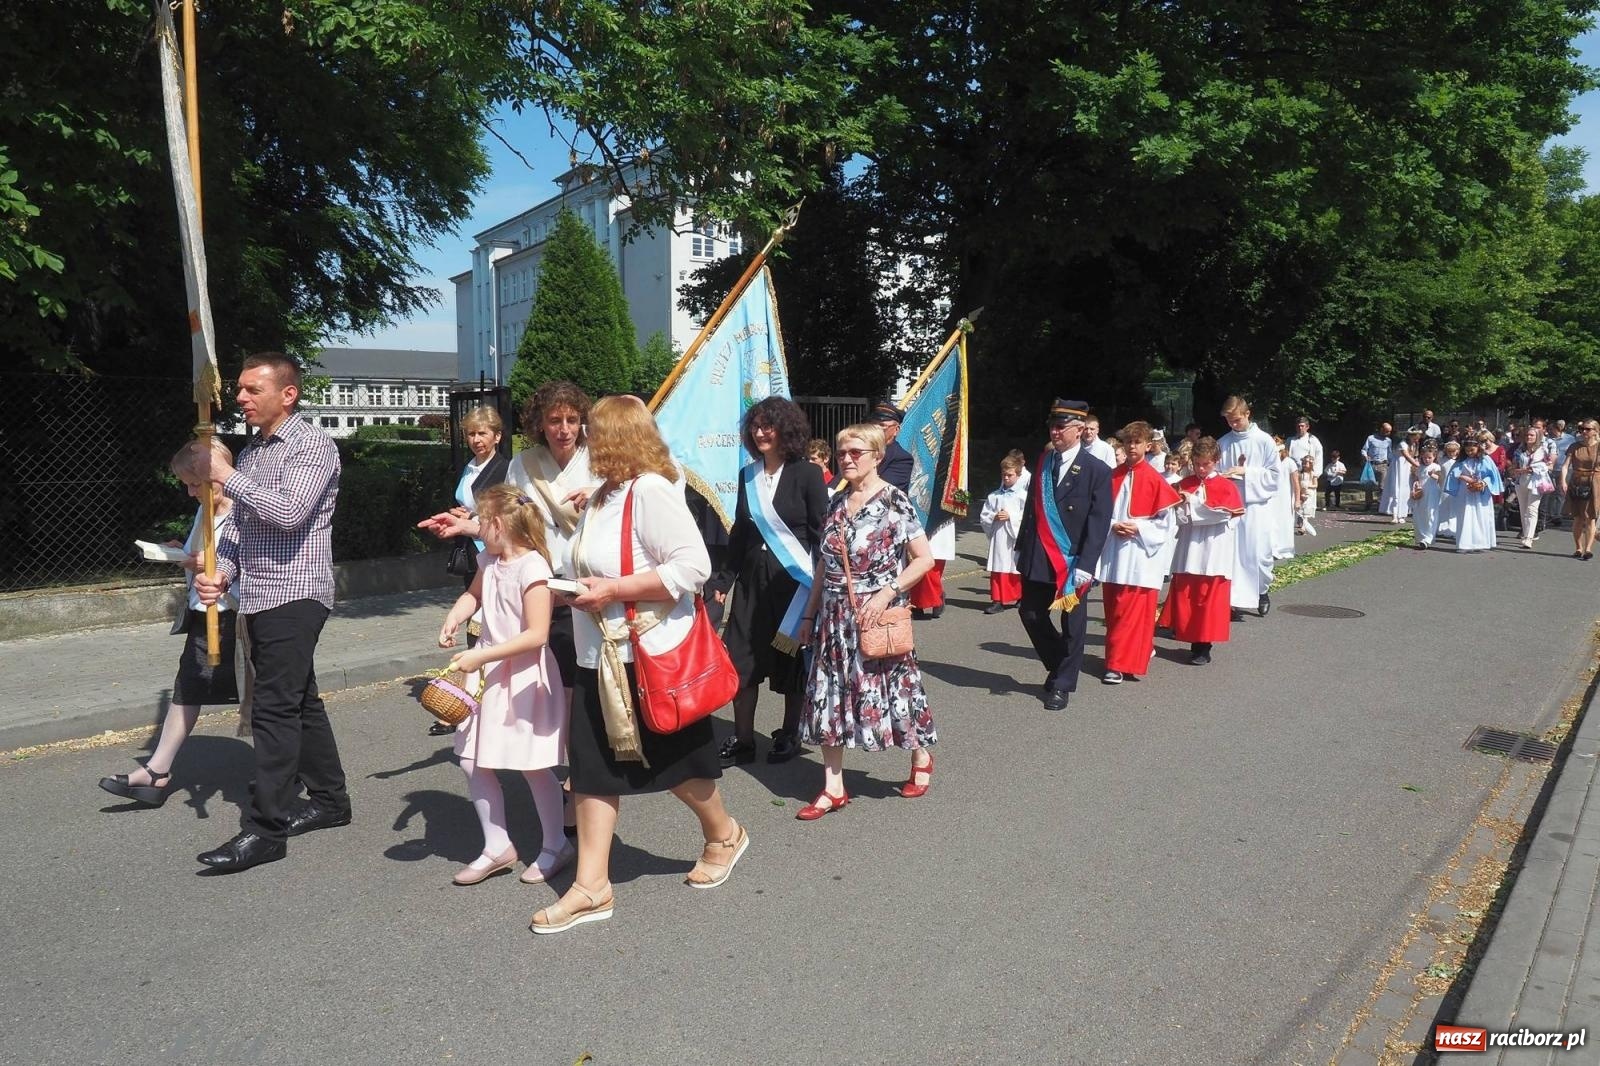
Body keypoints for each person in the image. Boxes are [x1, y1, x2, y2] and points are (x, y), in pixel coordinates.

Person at [538, 395, 745, 934]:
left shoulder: (650, 490)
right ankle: (591, 886)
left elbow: (694, 567)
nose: (585, 441)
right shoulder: (603, 494)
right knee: (591, 769)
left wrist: (612, 590)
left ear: (615, 437)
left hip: (643, 658)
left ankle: (724, 834)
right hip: (597, 656)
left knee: (677, 766)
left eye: (593, 431)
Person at [192, 352, 348, 873]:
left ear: (288, 394)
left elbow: (288, 513)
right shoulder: (254, 450)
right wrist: (222, 573)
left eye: (252, 389)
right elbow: (240, 529)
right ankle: (330, 802)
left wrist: (224, 474)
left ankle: (265, 831)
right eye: (239, 389)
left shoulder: (313, 445)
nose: (240, 398)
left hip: (296, 593)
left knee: (274, 708)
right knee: (301, 700)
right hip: (258, 593)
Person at [794, 422, 936, 818]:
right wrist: (809, 613)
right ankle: (833, 787)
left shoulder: (895, 501)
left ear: (877, 456)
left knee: (895, 691)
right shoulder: (836, 502)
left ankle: (920, 755)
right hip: (833, 618)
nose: (847, 458)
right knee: (828, 695)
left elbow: (924, 559)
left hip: (877, 616)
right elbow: (824, 563)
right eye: (842, 452)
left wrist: (888, 592)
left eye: (856, 452)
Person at [99, 438, 251, 807]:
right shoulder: (205, 510)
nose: (190, 492)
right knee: (188, 688)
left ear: (217, 476)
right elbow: (199, 554)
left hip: (234, 616)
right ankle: (157, 771)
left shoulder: (243, 512)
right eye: (186, 484)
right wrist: (180, 553)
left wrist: (203, 564)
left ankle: (283, 770)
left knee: (259, 696)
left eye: (195, 484)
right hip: (204, 612)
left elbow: (250, 565)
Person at [437, 486, 571, 887]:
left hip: (523, 675)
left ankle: (556, 844)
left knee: (532, 765)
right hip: (489, 670)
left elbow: (537, 635)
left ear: (497, 524)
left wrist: (481, 657)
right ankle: (497, 846)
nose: (477, 528)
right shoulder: (491, 560)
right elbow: (474, 595)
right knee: (471, 759)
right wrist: (455, 616)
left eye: (481, 521)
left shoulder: (533, 568)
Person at [714, 397, 828, 768]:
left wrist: (822, 586)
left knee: (789, 658)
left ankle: (789, 733)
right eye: (755, 426)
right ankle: (743, 739)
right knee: (741, 658)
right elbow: (740, 533)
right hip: (751, 585)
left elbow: (820, 533)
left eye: (768, 426)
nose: (760, 433)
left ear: (785, 429)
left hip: (792, 585)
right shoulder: (748, 475)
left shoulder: (807, 474)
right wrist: (724, 579)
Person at [416, 405, 510, 735]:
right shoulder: (469, 466)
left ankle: (470, 702)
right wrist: (460, 516)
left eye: (483, 433)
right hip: (472, 552)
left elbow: (508, 511)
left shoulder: (504, 469)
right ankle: (471, 700)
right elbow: (467, 504)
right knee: (476, 624)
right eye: (471, 433)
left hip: (495, 552)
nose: (476, 439)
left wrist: (469, 518)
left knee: (487, 626)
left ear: (497, 436)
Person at [1016, 398, 1112, 711]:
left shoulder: (1097, 470)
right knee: (1030, 613)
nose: (1054, 432)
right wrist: (1020, 546)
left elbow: (1099, 522)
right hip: (1039, 553)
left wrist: (1087, 563)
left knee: (1072, 623)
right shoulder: (1045, 462)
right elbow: (1032, 509)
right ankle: (1060, 665)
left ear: (1079, 429)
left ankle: (1062, 684)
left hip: (1072, 560)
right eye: (1052, 426)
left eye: (1060, 426)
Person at [1095, 421, 1180, 684]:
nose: (1132, 447)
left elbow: (1166, 523)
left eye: (1137, 442)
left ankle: (1123, 663)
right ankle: (1121, 661)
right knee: (1115, 609)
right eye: (1128, 442)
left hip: (1141, 555)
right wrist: (1113, 524)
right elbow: (1097, 513)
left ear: (1147, 445)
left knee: (1136, 612)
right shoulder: (1111, 476)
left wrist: (1138, 527)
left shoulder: (1155, 479)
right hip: (1114, 550)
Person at [1163, 437, 1245, 665]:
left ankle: (1203, 646)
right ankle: (1189, 636)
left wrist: (1192, 503)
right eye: (1197, 463)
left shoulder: (1226, 486)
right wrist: (1181, 505)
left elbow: (1224, 514)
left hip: (1213, 548)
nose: (1200, 469)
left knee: (1207, 599)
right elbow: (1176, 515)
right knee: (1188, 594)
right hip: (1189, 546)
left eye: (1206, 464)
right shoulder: (1185, 483)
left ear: (1216, 461)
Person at [1217, 395, 1280, 618]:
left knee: (1258, 553)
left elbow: (1275, 476)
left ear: (1247, 414)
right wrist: (1223, 477)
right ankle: (1233, 601)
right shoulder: (1223, 443)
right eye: (1229, 421)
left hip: (1256, 507)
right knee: (1232, 555)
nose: (1233, 424)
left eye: (1237, 420)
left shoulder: (1264, 441)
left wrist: (1247, 472)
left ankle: (1262, 592)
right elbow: (1215, 473)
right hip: (1232, 507)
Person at [980, 453, 1027, 614]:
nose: (1006, 478)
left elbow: (1027, 516)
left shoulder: (1023, 496)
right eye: (1004, 475)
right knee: (998, 566)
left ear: (1018, 475)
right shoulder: (994, 496)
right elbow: (984, 515)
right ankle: (998, 599)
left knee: (1015, 567)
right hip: (999, 537)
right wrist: (993, 516)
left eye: (1010, 475)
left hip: (1014, 538)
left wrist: (1011, 516)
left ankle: (1021, 596)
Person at [1445, 437, 1503, 553]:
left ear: (1478, 448)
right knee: (1465, 516)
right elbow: (1454, 474)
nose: (1470, 453)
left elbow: (1492, 475)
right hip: (1465, 491)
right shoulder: (1461, 461)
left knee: (1481, 516)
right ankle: (1464, 544)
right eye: (1467, 450)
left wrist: (1482, 483)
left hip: (1482, 492)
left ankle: (1481, 543)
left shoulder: (1485, 459)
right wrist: (1463, 477)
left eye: (1472, 450)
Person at [1508, 426, 1554, 549]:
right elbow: (1513, 467)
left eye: (1532, 435)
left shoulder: (1543, 450)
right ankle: (1525, 534)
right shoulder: (1519, 451)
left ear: (1537, 437)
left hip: (1536, 482)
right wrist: (1519, 470)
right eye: (1527, 435)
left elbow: (1550, 466)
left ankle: (1529, 537)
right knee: (1523, 510)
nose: (1529, 437)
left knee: (1532, 509)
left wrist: (1537, 468)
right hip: (1521, 481)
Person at [1562, 420, 1598, 560]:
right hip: (1577, 482)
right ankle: (1578, 547)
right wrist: (1563, 481)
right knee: (1578, 517)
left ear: (1595, 431)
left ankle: (1588, 549)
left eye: (1588, 429)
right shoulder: (1574, 446)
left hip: (1595, 482)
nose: (1584, 431)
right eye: (1582, 429)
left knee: (1590, 517)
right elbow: (1565, 465)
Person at [870, 400, 914, 494]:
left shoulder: (901, 459)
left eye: (882, 425)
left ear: (896, 430)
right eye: (872, 425)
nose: (876, 429)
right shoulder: (858, 451)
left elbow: (884, 493)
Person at [1413, 442, 1443, 550]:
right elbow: (1418, 478)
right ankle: (1421, 536)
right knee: (1420, 514)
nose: (1427, 460)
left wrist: (1432, 475)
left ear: (1434, 457)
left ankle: (1428, 538)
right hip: (1422, 493)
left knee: (1430, 514)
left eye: (1429, 457)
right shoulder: (1420, 467)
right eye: (1425, 457)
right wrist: (1416, 483)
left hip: (1432, 492)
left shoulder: (1436, 466)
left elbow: (1439, 478)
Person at [1271, 438, 1298, 559]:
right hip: (1273, 498)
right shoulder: (1271, 463)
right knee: (1273, 523)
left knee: (1285, 523)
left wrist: (1297, 500)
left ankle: (1286, 549)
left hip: (1285, 498)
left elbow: (1296, 483)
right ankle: (1274, 549)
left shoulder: (1289, 462)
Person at [1437, 440, 1462, 542]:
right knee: (1443, 506)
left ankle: (1453, 527)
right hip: (1443, 486)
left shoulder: (1459, 461)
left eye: (1453, 451)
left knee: (1454, 507)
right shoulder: (1442, 460)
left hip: (1455, 486)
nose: (1451, 454)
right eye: (1449, 452)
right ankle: (1442, 527)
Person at [1362, 422, 1392, 490]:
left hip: (1383, 465)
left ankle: (1381, 497)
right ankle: (1369, 497)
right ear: (1381, 429)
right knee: (1369, 487)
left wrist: (1391, 464)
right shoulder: (1371, 438)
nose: (1389, 433)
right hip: (1371, 465)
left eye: (1390, 431)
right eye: (1387, 431)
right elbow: (1364, 450)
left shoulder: (1389, 441)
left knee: (1382, 487)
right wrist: (1365, 456)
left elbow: (1389, 454)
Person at [1296, 454, 1319, 537]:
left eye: (1306, 463)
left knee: (1305, 510)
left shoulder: (1312, 474)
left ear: (1311, 464)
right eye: (1303, 463)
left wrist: (1308, 486)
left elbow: (1315, 485)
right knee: (1300, 509)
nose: (1304, 465)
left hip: (1309, 493)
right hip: (1301, 492)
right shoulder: (1300, 473)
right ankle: (1302, 523)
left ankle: (1303, 528)